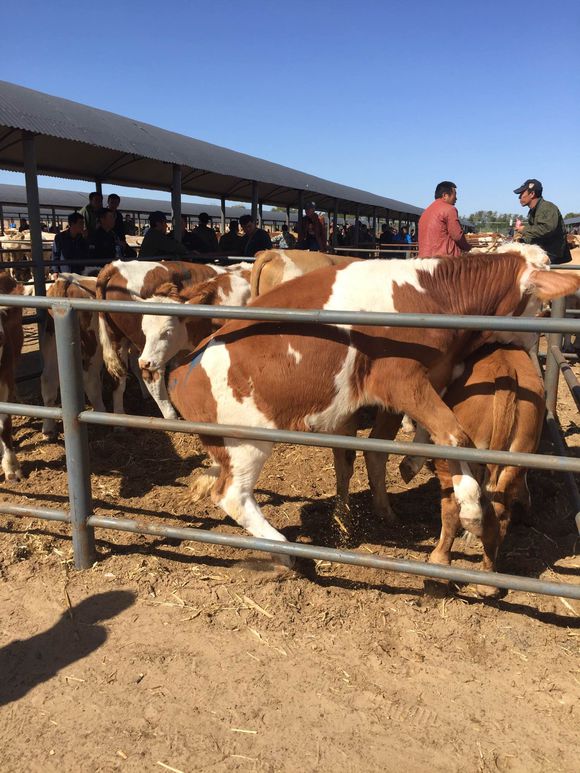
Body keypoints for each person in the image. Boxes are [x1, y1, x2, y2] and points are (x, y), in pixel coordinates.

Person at [513, 179, 571, 264]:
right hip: (543, 251)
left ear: (532, 194)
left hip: (552, 253)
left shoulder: (547, 208)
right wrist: (522, 241)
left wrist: (524, 229)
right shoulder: (534, 211)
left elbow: (547, 228)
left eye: (522, 193)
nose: (519, 197)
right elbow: (534, 235)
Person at [418, 181, 471, 257]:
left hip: (423, 260)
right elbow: (457, 236)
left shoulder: (425, 213)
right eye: (455, 194)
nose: (456, 198)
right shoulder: (450, 209)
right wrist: (469, 248)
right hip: (444, 261)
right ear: (445, 195)